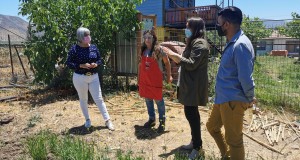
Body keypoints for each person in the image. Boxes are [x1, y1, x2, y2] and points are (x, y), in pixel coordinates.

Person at [206, 6, 256, 160]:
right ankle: (226, 156)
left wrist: (250, 97)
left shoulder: (240, 45)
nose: (218, 27)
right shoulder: (233, 42)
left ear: (226, 24)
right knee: (212, 127)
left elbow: (245, 77)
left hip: (233, 101)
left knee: (234, 141)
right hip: (223, 99)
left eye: (219, 23)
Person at [161, 17, 209, 159]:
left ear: (195, 28)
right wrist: (173, 56)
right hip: (190, 84)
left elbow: (192, 63)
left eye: (188, 27)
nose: (185, 29)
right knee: (190, 113)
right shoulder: (194, 42)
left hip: (194, 85)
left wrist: (173, 54)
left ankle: (198, 147)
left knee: (192, 115)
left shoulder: (200, 44)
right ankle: (194, 142)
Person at [66, 27, 115, 130]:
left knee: (99, 99)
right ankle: (87, 120)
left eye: (88, 34)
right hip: (80, 78)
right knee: (83, 99)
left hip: (93, 76)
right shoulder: (74, 49)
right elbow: (69, 63)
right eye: (85, 35)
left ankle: (107, 120)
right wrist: (81, 65)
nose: (88, 37)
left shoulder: (93, 47)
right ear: (80, 37)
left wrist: (95, 64)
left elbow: (99, 60)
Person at [138, 28, 172, 133]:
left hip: (156, 80)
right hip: (145, 80)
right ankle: (151, 119)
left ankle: (162, 122)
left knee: (159, 101)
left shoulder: (158, 50)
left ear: (154, 38)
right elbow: (140, 65)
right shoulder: (143, 50)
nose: (147, 40)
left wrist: (169, 76)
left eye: (149, 37)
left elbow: (167, 63)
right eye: (145, 38)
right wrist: (139, 78)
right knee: (148, 99)